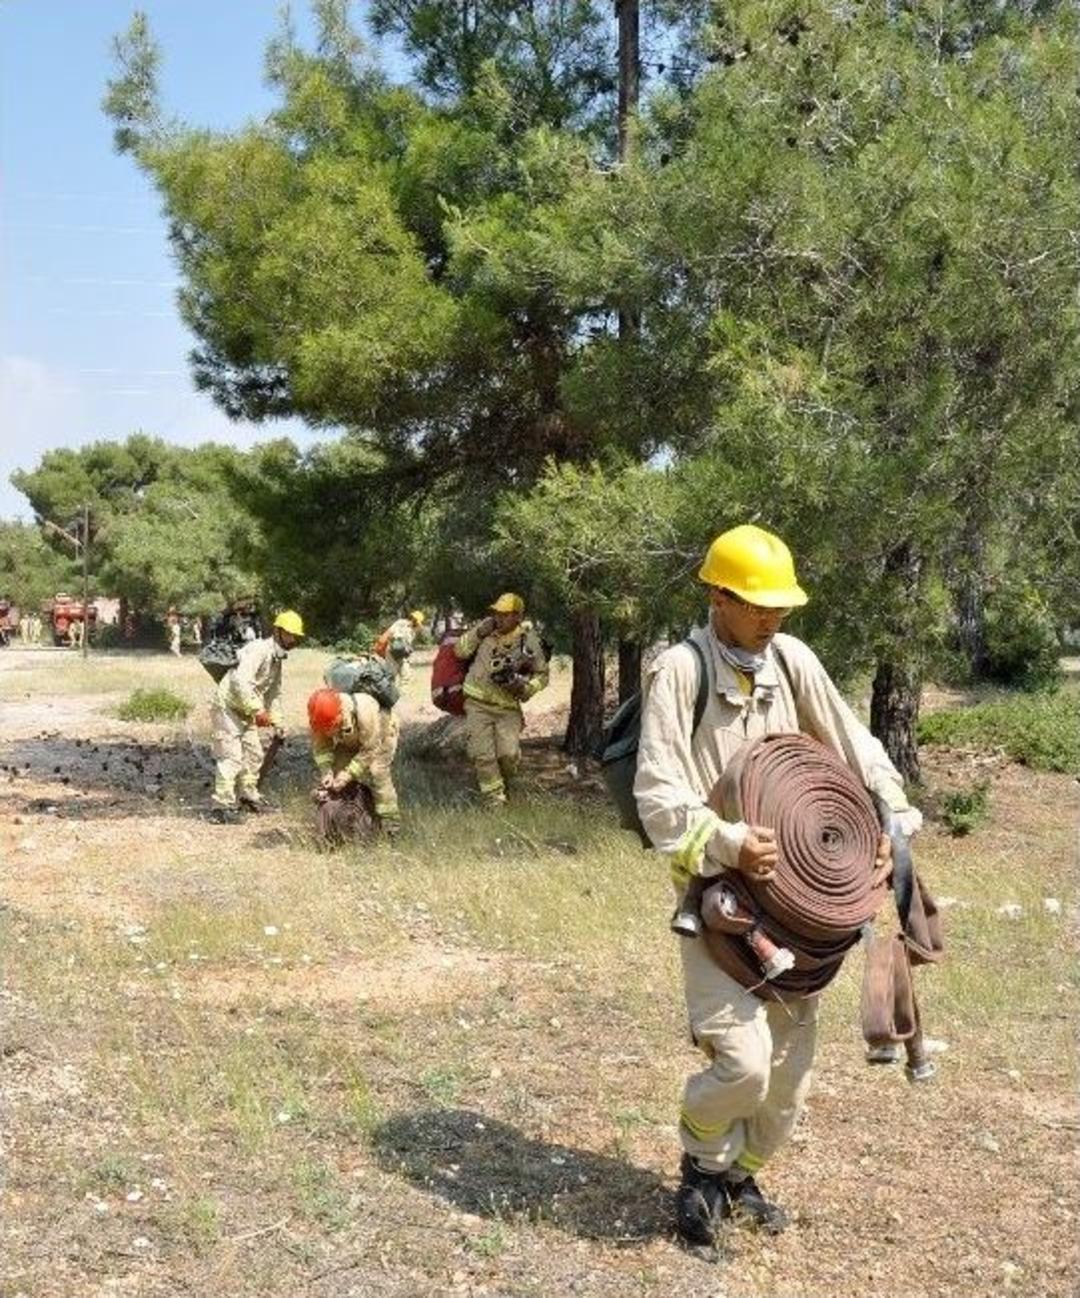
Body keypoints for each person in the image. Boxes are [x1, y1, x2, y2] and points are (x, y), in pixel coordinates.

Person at [634, 524, 922, 1244]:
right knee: (742, 1062)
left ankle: (740, 1180)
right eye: (757, 605)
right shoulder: (680, 670)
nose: (772, 618)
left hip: (807, 914)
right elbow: (658, 792)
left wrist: (892, 820)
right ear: (717, 595)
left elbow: (856, 744)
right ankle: (702, 1171)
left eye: (780, 606)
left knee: (789, 1079)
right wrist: (728, 841)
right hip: (722, 908)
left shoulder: (792, 661)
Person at [208, 609, 305, 824]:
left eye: (296, 636)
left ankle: (248, 796)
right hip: (228, 707)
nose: (293, 639)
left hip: (246, 710)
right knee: (231, 757)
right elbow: (240, 682)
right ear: (278, 631)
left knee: (254, 755)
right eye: (290, 634)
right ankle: (221, 807)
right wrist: (257, 710)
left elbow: (273, 693)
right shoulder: (260, 650)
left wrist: (278, 721)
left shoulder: (277, 659)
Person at [454, 593, 549, 805]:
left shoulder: (529, 640)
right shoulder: (485, 632)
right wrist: (478, 632)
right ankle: (494, 803)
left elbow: (542, 675)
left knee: (508, 755)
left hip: (507, 708)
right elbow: (459, 651)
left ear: (518, 616)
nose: (499, 618)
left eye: (505, 614)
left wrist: (525, 687)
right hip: (477, 704)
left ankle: (507, 784)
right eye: (497, 613)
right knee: (483, 756)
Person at [307, 686, 401, 840]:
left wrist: (348, 774)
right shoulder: (319, 718)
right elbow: (322, 748)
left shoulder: (364, 710)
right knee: (337, 773)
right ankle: (338, 822)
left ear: (339, 715)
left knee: (377, 772)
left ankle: (391, 825)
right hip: (351, 739)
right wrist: (327, 771)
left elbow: (370, 749)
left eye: (331, 728)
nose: (329, 733)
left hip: (381, 737)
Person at [379, 609, 426, 684]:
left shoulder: (400, 622)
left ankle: (394, 691)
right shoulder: (412, 630)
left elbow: (389, 633)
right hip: (399, 653)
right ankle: (397, 692)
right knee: (405, 677)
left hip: (391, 650)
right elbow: (408, 644)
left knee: (392, 675)